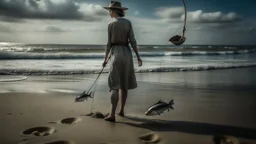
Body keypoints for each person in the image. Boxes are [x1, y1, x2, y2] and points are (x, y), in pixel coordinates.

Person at [102, 1, 142, 122]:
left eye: (109, 11)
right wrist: (138, 56)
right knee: (124, 85)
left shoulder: (110, 24)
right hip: (127, 54)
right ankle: (122, 111)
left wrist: (105, 59)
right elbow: (133, 41)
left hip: (116, 53)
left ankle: (112, 114)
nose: (109, 13)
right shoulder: (128, 23)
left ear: (114, 11)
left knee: (114, 86)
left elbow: (108, 44)